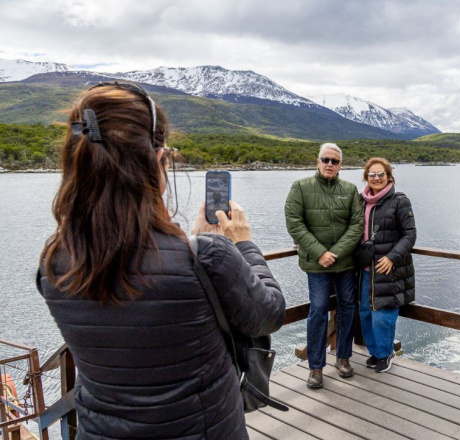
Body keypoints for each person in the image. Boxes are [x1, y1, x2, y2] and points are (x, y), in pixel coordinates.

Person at [36, 82, 286, 440]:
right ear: (156, 159)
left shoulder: (55, 264)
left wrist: (191, 243)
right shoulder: (207, 258)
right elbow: (271, 313)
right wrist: (243, 243)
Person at [284, 143, 364, 388]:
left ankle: (343, 358)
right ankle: (315, 367)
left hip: (345, 264)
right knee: (318, 310)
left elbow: (357, 225)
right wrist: (320, 253)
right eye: (326, 159)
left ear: (341, 165)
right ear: (317, 162)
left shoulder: (350, 190)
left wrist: (336, 253)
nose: (330, 164)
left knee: (348, 307)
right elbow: (295, 223)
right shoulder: (300, 187)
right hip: (316, 264)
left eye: (335, 161)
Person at [356, 158, 416, 373]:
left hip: (388, 269)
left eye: (381, 174)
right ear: (366, 178)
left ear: (389, 177)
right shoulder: (360, 200)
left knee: (383, 314)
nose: (377, 178)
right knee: (365, 312)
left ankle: (385, 353)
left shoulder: (399, 201)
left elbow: (410, 235)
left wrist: (392, 257)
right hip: (364, 269)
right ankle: (375, 352)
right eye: (372, 174)